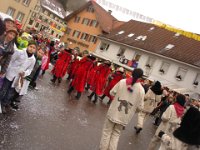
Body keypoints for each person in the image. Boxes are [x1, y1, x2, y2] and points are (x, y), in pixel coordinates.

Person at [99, 68, 145, 150]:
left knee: (107, 132)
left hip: (113, 112)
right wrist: (133, 109)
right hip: (124, 117)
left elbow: (112, 92)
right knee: (116, 134)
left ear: (132, 73)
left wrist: (117, 98)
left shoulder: (123, 82)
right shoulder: (141, 90)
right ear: (141, 78)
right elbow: (140, 108)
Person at [0, 41, 36, 113]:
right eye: (30, 46)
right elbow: (11, 61)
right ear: (27, 46)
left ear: (35, 50)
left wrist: (25, 73)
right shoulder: (19, 52)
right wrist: (6, 71)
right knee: (4, 89)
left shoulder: (33, 59)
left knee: (10, 91)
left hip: (18, 77)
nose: (31, 49)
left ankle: (4, 104)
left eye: (34, 48)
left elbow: (30, 69)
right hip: (10, 73)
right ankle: (0, 102)